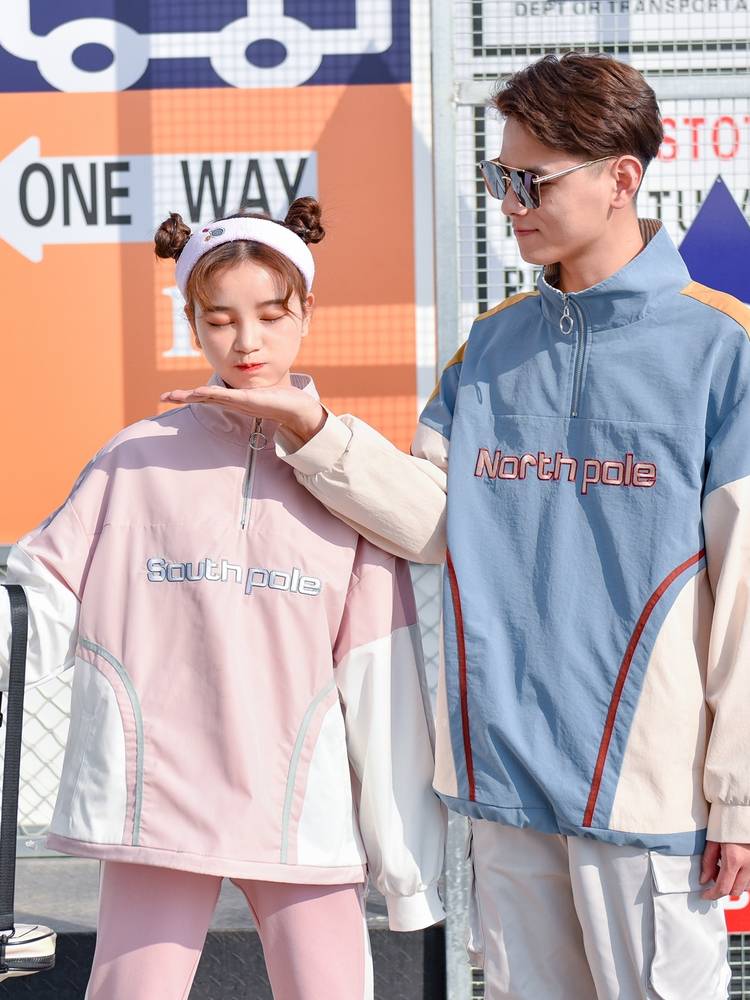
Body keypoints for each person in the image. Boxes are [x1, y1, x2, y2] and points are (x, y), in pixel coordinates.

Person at [164, 55, 750, 998]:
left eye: (531, 179)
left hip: (651, 794)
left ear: (622, 177)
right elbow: (434, 522)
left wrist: (738, 798)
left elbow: (746, 605)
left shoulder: (722, 349)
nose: (508, 202)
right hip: (502, 784)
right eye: (496, 175)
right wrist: (311, 428)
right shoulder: (492, 344)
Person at [0, 198, 446, 1000]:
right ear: (192, 323)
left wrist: (404, 863)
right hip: (156, 809)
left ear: (307, 312)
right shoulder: (133, 460)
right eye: (219, 319)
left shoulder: (354, 474)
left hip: (301, 810)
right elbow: (37, 600)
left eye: (271, 316)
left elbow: (378, 679)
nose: (247, 342)